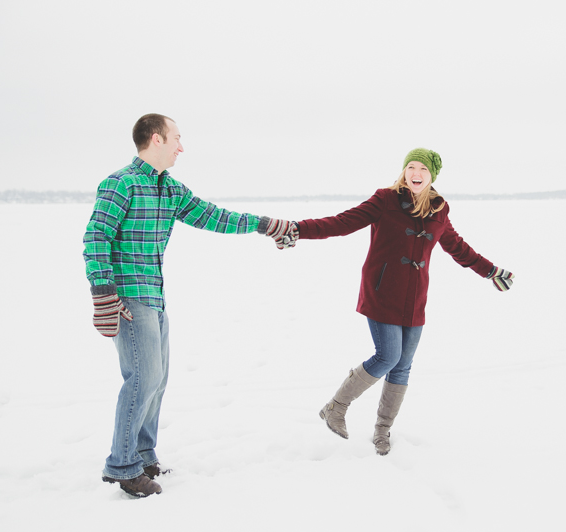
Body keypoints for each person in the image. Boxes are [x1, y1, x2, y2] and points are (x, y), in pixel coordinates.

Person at [83, 113, 292, 497]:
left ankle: (143, 455)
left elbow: (214, 216)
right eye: (177, 137)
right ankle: (123, 466)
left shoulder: (170, 190)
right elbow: (96, 237)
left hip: (155, 296)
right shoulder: (120, 184)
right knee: (142, 379)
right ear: (156, 138)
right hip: (128, 297)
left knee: (157, 380)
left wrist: (265, 224)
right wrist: (103, 294)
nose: (182, 146)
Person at [281, 148, 514, 455]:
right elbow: (342, 222)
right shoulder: (384, 200)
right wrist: (298, 229)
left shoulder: (439, 209)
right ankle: (335, 407)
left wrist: (489, 271)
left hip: (414, 298)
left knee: (402, 367)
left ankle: (382, 431)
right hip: (382, 292)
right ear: (404, 171)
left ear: (432, 176)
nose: (415, 173)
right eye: (411, 167)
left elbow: (457, 246)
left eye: (423, 169)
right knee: (388, 356)